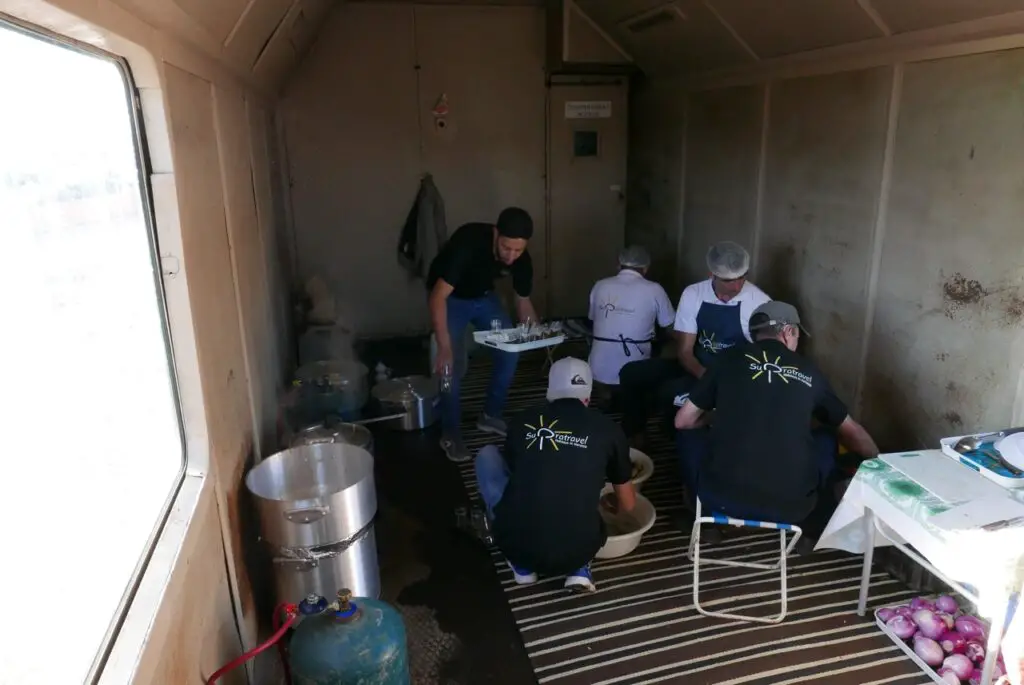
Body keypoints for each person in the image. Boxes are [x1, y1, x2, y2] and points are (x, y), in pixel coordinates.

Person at [673, 301, 878, 545]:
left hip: (720, 499)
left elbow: (683, 421)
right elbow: (853, 432)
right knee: (828, 437)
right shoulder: (810, 372)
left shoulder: (727, 361)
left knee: (687, 435)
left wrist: (715, 420)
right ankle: (814, 526)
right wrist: (881, 463)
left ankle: (703, 516)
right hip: (793, 507)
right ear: (788, 332)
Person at [473, 357, 636, 593]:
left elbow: (519, 474)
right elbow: (629, 504)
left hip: (517, 546)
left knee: (488, 455)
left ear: (550, 392)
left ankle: (523, 568)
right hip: (579, 547)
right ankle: (579, 570)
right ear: (587, 397)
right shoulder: (609, 429)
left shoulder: (522, 421)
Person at [618, 240, 770, 446]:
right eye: (727, 280)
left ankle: (673, 433)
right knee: (631, 373)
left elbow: (764, 357)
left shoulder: (759, 303)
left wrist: (720, 385)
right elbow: (685, 351)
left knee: (668, 393)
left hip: (731, 378)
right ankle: (635, 436)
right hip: (696, 367)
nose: (735, 286)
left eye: (741, 278)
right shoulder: (694, 294)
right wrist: (705, 378)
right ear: (711, 275)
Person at [427, 207, 539, 462]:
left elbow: (523, 302)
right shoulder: (467, 244)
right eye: (506, 248)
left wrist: (532, 328)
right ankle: (450, 432)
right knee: (448, 368)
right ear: (495, 233)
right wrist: (444, 347)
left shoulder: (521, 258)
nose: (511, 257)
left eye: (518, 250)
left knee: (510, 351)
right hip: (450, 300)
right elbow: (437, 297)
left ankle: (490, 415)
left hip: (483, 298)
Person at [587, 245, 675, 388]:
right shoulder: (654, 289)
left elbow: (592, 319)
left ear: (619, 265)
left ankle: (605, 395)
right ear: (646, 268)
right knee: (666, 347)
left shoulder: (600, 285)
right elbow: (670, 324)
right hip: (635, 368)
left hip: (598, 369)